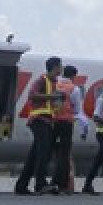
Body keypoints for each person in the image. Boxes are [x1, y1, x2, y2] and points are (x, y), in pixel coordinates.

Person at [16, 56, 64, 195]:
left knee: (34, 155)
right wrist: (53, 97)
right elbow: (32, 95)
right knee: (44, 153)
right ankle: (40, 184)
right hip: (38, 120)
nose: (61, 69)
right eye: (60, 66)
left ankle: (21, 186)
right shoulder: (42, 80)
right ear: (55, 67)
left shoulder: (54, 83)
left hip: (47, 121)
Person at [51, 65, 79, 194]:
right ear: (73, 76)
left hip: (52, 121)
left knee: (48, 151)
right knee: (64, 153)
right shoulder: (74, 89)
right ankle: (61, 184)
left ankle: (45, 183)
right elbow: (76, 109)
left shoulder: (55, 85)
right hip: (66, 122)